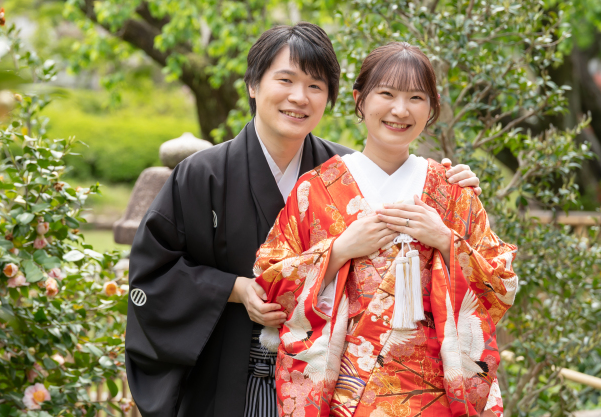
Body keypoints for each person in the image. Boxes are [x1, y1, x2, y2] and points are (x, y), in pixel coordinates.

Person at [125, 25, 482, 417]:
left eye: (315, 85)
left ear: (331, 97)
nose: (299, 97)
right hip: (232, 377)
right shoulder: (202, 174)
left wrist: (450, 188)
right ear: (253, 86)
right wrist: (234, 288)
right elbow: (154, 275)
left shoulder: (345, 174)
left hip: (329, 386)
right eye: (285, 80)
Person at [254, 42, 517, 417]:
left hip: (437, 396)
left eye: (416, 97)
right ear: (360, 100)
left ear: (432, 108)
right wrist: (339, 251)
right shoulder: (316, 189)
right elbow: (270, 281)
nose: (400, 110)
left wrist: (445, 241)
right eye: (387, 94)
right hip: (344, 399)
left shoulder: (452, 191)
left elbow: (501, 285)